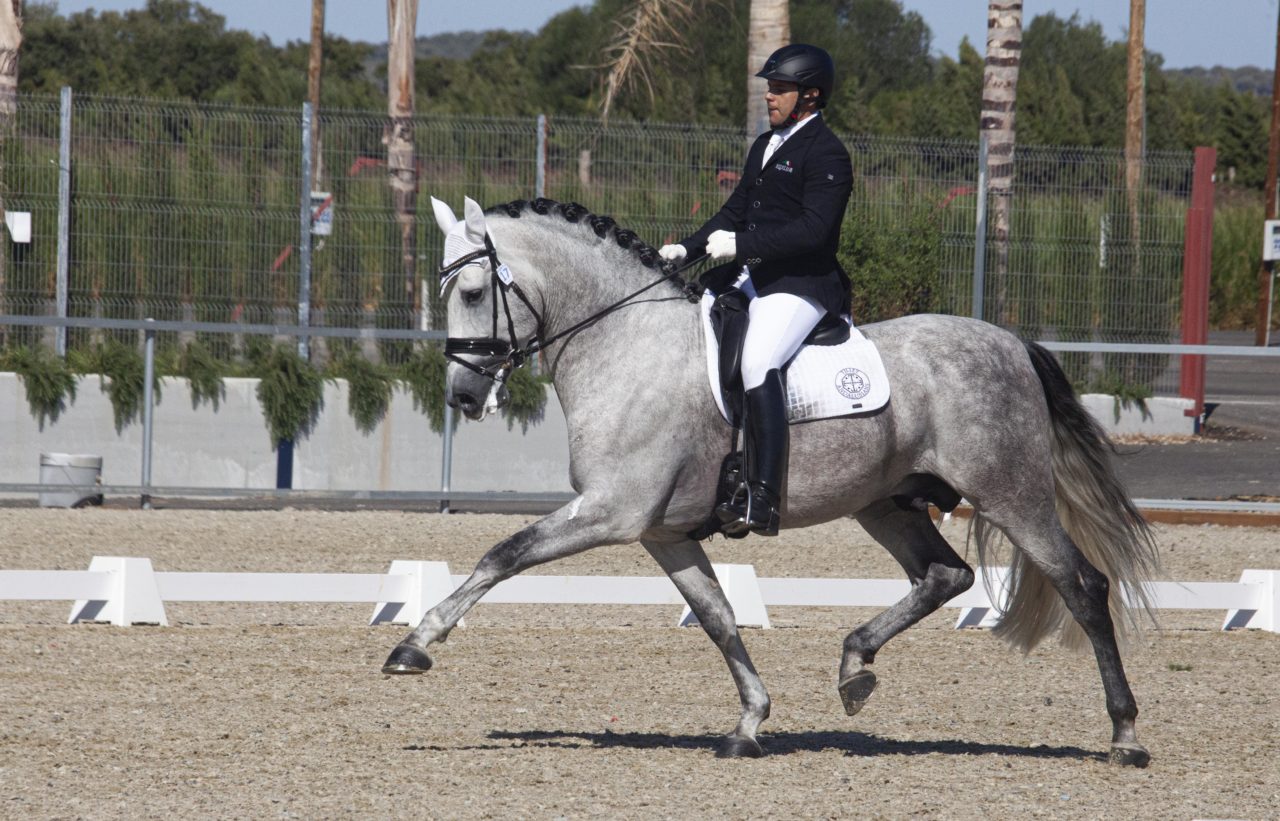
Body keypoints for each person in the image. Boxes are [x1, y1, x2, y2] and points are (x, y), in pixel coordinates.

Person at [660, 43, 853, 537]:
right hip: (753, 279)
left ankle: (763, 497)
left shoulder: (827, 154)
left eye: (780, 88)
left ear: (810, 95)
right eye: (770, 86)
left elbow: (815, 231)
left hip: (800, 286)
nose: (770, 95)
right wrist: (688, 249)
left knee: (757, 360)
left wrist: (742, 244)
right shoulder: (764, 145)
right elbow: (734, 211)